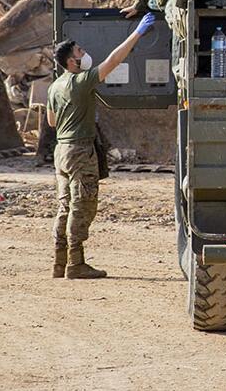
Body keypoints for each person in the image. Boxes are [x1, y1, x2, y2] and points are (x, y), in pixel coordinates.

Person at [47, 15, 152, 279]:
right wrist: (137, 34)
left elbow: (51, 121)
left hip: (61, 151)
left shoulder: (55, 86)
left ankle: (60, 262)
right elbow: (113, 62)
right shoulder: (79, 82)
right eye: (80, 51)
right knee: (83, 206)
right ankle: (76, 263)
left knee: (65, 206)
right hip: (81, 151)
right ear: (72, 61)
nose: (85, 53)